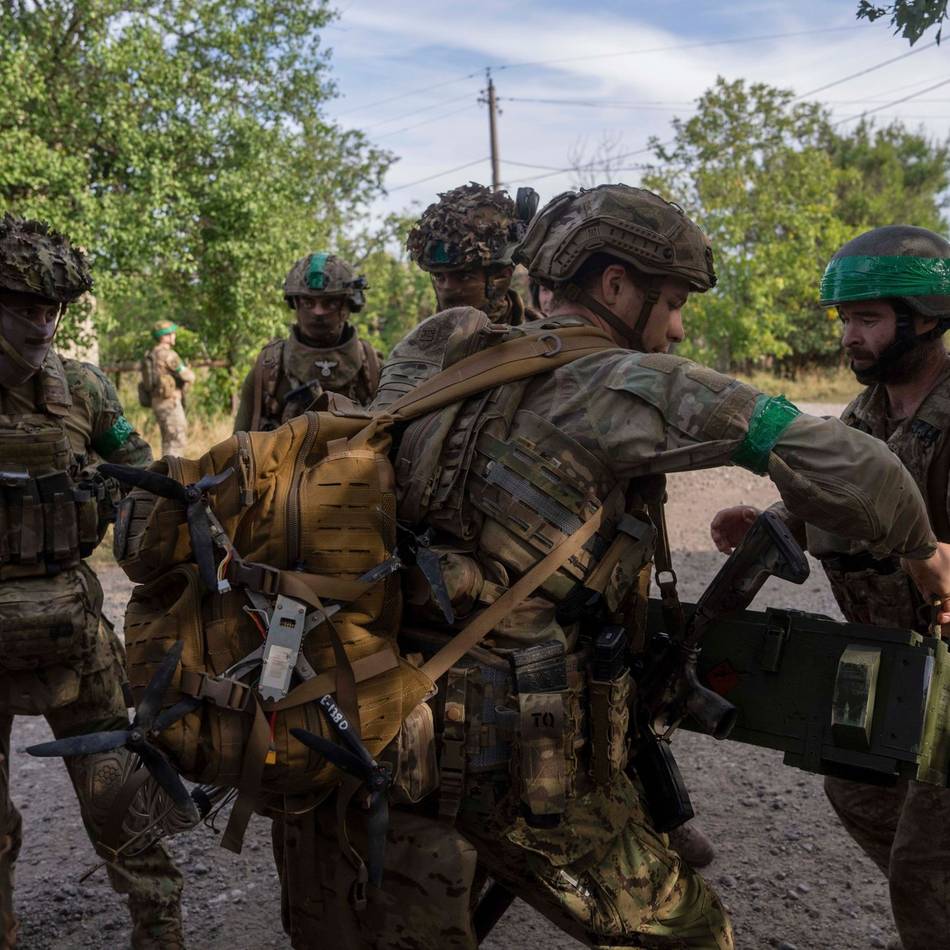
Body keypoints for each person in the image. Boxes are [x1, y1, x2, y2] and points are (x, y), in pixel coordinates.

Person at [277, 186, 950, 950]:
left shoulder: (440, 353)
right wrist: (925, 554)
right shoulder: (626, 382)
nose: (678, 327)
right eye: (671, 303)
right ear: (616, 286)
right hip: (506, 754)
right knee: (693, 935)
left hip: (366, 719)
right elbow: (863, 473)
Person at [711, 225, 950, 950]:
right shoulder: (864, 417)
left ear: (927, 318)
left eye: (868, 319)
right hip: (893, 659)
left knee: (923, 870)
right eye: (845, 319)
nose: (849, 336)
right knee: (858, 791)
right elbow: (844, 497)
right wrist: (780, 515)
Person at [0, 214, 187, 948]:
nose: (42, 324)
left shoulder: (82, 390)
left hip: (72, 633)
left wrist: (119, 515)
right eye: (24, 306)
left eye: (54, 310)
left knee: (124, 797)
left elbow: (140, 468)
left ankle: (160, 930)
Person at [374, 182, 539, 410]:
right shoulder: (414, 351)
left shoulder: (543, 341)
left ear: (501, 277)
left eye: (464, 277)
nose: (448, 290)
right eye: (439, 277)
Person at [232, 252, 378, 431]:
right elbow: (239, 447)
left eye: (329, 303)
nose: (318, 312)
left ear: (349, 305)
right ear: (295, 303)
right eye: (308, 302)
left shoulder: (372, 368)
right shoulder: (269, 368)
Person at [142, 320, 194, 456]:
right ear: (164, 336)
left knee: (168, 441)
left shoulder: (151, 354)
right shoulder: (168, 354)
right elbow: (188, 376)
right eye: (172, 333)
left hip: (157, 402)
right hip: (170, 402)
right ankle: (172, 475)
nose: (174, 336)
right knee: (176, 443)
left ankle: (166, 473)